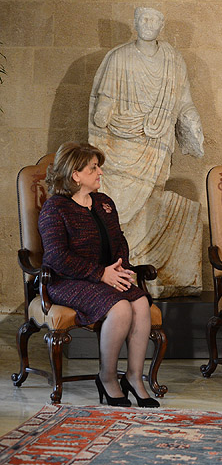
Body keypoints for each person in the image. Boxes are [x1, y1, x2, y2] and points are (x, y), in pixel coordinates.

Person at [89, 6, 205, 298]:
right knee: (116, 203)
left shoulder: (173, 60)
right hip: (120, 143)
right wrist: (102, 111)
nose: (148, 23)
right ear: (135, 23)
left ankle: (146, 268)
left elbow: (183, 100)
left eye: (154, 19)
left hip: (156, 141)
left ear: (162, 25)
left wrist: (192, 119)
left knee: (151, 199)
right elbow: (105, 97)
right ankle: (118, 266)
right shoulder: (119, 57)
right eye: (143, 18)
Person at [38, 142, 159, 408]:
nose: (100, 172)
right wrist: (101, 273)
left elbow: (119, 241)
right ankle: (107, 378)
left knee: (140, 302)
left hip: (106, 277)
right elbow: (57, 258)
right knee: (121, 308)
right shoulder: (55, 208)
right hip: (67, 281)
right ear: (75, 175)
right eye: (93, 168)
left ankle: (134, 378)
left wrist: (121, 268)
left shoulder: (104, 203)